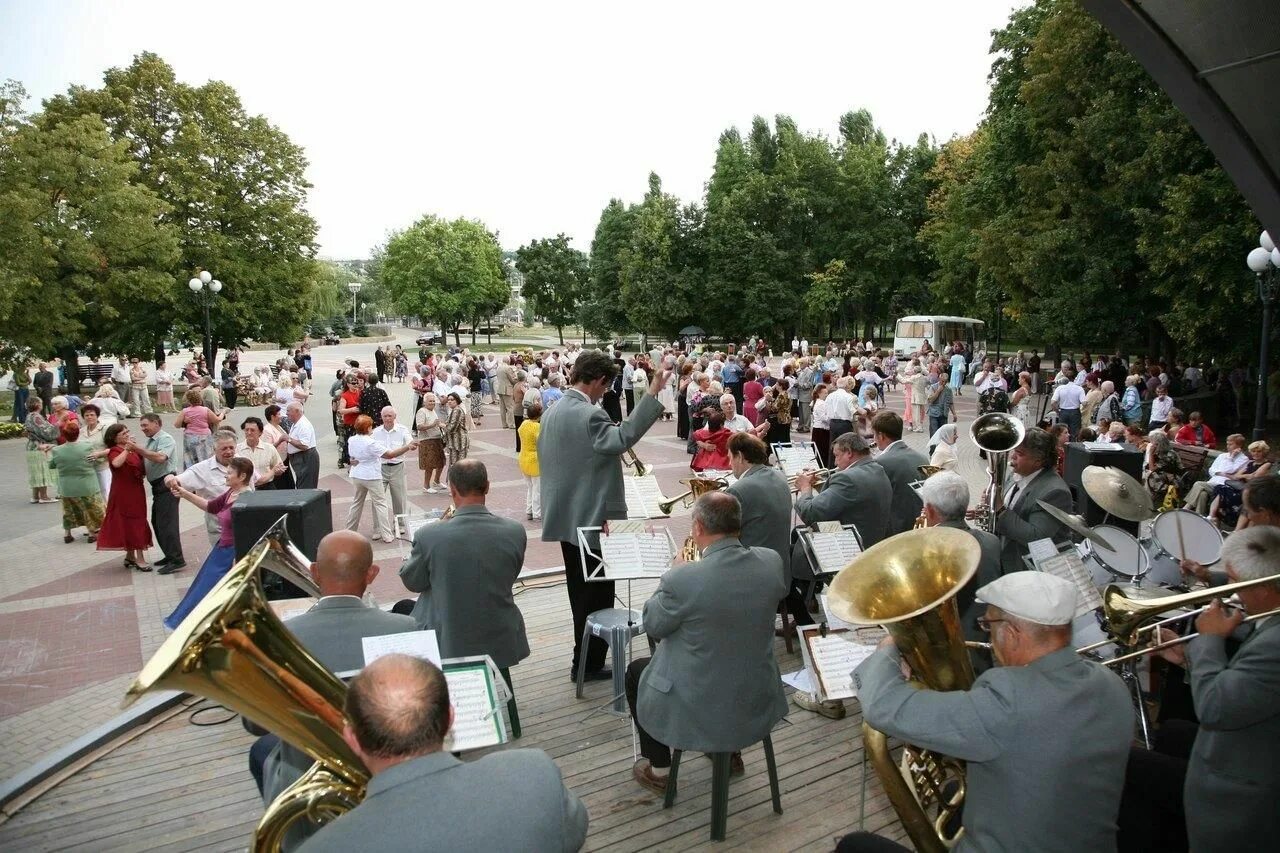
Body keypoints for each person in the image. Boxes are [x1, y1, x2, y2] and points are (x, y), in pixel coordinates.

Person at [839, 572, 1132, 853]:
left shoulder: (1008, 700)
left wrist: (888, 650)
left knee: (855, 845)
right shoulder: (1111, 684)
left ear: (1012, 633)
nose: (989, 637)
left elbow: (884, 706)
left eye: (988, 625)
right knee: (956, 794)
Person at [293, 654, 588, 853]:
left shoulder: (324, 846)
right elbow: (573, 833)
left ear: (352, 738)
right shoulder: (533, 772)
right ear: (449, 719)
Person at [251, 531, 417, 847]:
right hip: (386, 768)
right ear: (372, 574)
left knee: (262, 751)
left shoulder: (283, 634)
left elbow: (256, 723)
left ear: (314, 572)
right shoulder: (404, 628)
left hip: (306, 777)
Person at [1125, 525, 1280, 853]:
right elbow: (1248, 690)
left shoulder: (1274, 643)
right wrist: (1188, 661)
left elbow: (1214, 709)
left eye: (1236, 581)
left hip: (1243, 790)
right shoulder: (1269, 624)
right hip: (1247, 743)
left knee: (1130, 765)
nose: (1231, 591)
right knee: (1171, 732)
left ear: (1266, 589)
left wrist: (1209, 639)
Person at [626, 493, 788, 793]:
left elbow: (653, 624)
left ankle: (660, 770)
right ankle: (728, 753)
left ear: (698, 527)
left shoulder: (683, 579)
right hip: (757, 692)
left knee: (637, 671)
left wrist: (671, 573)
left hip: (703, 701)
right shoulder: (771, 561)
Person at [539, 350, 666, 681]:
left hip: (566, 518)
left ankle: (583, 660)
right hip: (594, 520)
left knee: (578, 594)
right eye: (606, 387)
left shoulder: (552, 411)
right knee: (597, 598)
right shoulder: (589, 414)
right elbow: (622, 439)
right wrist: (651, 395)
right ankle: (589, 664)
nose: (605, 393)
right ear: (596, 380)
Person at [399, 460, 530, 677]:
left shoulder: (429, 535)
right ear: (487, 486)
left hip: (450, 637)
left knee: (407, 607)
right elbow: (508, 574)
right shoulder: (515, 531)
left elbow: (413, 582)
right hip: (499, 631)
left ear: (452, 490)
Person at [787, 432, 893, 687]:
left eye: (836, 456)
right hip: (871, 543)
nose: (834, 462)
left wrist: (805, 489)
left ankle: (803, 617)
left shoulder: (848, 478)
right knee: (794, 537)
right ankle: (806, 602)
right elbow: (846, 502)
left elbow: (812, 512)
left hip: (846, 551)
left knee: (787, 560)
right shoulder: (876, 468)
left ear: (849, 452)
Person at [164, 457, 255, 629]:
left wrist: (238, 560)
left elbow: (248, 534)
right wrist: (184, 493)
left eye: (229, 473)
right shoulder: (231, 492)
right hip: (221, 550)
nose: (226, 476)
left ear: (242, 476)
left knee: (212, 592)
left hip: (232, 554)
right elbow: (211, 506)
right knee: (203, 589)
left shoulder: (247, 499)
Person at [918, 472, 1002, 642]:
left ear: (930, 511)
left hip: (946, 640)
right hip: (985, 633)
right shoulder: (991, 541)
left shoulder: (923, 551)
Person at [989, 427, 1072, 575]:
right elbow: (1011, 509)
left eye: (1019, 454)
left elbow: (1036, 537)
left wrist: (1000, 510)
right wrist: (987, 510)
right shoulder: (1017, 474)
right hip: (1003, 558)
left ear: (1038, 461)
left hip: (1026, 570)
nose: (1012, 457)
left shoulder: (1055, 492)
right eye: (1014, 451)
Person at [727, 432, 792, 583]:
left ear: (741, 456)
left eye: (730, 458)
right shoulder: (779, 476)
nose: (729, 464)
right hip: (779, 571)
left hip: (751, 578)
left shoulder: (738, 490)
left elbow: (722, 539)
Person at [346, 415, 417, 542]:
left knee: (356, 503)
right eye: (370, 426)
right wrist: (407, 447)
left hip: (357, 475)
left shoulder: (351, 439)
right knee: (380, 504)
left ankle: (349, 531)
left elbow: (352, 458)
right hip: (371, 476)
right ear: (367, 428)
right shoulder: (370, 443)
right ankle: (387, 535)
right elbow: (390, 454)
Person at [96, 423, 153, 571]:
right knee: (132, 521)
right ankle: (140, 558)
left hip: (136, 490)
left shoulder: (133, 449)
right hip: (122, 492)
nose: (127, 434)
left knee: (136, 520)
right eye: (123, 433)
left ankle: (130, 556)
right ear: (114, 438)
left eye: (127, 431)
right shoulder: (115, 451)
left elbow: (143, 463)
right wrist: (127, 450)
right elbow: (116, 464)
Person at [133, 413, 185, 573]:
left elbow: (161, 457)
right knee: (158, 523)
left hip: (167, 484)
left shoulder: (165, 439)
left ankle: (177, 559)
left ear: (157, 423)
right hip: (157, 486)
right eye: (141, 426)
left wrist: (137, 449)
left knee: (167, 525)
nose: (143, 429)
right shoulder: (151, 441)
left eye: (145, 425)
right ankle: (169, 555)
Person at [870, 412, 928, 536]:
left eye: (874, 435)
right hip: (922, 525)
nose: (874, 439)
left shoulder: (881, 462)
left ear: (881, 436)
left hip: (896, 529)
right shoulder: (922, 458)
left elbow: (874, 500)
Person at [49, 421, 105, 544]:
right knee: (89, 509)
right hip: (87, 484)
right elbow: (96, 460)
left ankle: (67, 534)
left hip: (67, 486)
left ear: (63, 435)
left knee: (68, 511)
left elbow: (52, 465)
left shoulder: (57, 450)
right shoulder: (87, 446)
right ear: (78, 433)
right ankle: (91, 533)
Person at [1183, 433, 1249, 515]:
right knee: (1203, 494)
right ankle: (1200, 515)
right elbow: (1211, 470)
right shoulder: (1222, 456)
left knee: (1198, 484)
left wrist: (1231, 458)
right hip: (1212, 482)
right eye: (1227, 444)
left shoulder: (1244, 459)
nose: (1228, 446)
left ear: (1239, 445)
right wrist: (1224, 474)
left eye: (1231, 444)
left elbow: (1227, 469)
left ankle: (1186, 508)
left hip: (1224, 486)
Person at [372, 406, 412, 533]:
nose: (387, 419)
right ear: (381, 417)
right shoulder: (375, 432)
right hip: (380, 468)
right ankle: (378, 527)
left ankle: (399, 524)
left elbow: (409, 441)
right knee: (377, 499)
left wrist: (411, 445)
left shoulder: (402, 430)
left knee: (399, 498)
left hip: (397, 468)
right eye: (385, 416)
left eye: (390, 416)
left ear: (395, 417)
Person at [23, 398, 60, 504]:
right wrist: (58, 424)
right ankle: (44, 496)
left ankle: (35, 496)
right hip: (39, 446)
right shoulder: (36, 417)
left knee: (35, 472)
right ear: (38, 405)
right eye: (41, 403)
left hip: (32, 446)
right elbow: (46, 433)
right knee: (42, 471)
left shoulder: (29, 416)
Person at [175, 387, 223, 468]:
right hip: (204, 435)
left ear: (189, 401)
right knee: (206, 456)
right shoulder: (205, 410)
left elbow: (177, 425)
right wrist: (222, 413)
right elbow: (217, 420)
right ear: (200, 399)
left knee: (190, 457)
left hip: (190, 435)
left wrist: (185, 421)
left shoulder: (185, 411)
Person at [236, 416, 287, 489]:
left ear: (260, 432)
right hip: (246, 489)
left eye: (252, 430)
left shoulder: (269, 448)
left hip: (267, 487)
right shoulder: (237, 449)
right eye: (246, 430)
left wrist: (278, 470)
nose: (249, 433)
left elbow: (279, 467)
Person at [414, 393, 446, 494]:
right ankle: (426, 486)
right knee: (429, 465)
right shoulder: (421, 412)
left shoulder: (433, 411)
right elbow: (419, 426)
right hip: (427, 440)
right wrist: (432, 425)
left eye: (433, 401)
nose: (432, 403)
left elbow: (437, 423)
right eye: (430, 401)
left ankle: (436, 481)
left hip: (437, 439)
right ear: (424, 402)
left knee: (441, 462)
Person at [284, 401, 319, 489]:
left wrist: (288, 439)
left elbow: (304, 445)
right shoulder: (296, 423)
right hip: (300, 458)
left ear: (297, 411)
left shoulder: (303, 425)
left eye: (288, 411)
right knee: (302, 483)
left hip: (305, 458)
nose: (286, 413)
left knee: (305, 486)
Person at [517, 402, 543, 520]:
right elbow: (540, 442)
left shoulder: (523, 424)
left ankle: (529, 510)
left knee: (530, 487)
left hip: (523, 458)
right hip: (535, 460)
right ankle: (537, 513)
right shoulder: (538, 427)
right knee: (537, 488)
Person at [1144, 429, 1183, 505]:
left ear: (1158, 444)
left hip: (1172, 478)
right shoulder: (1160, 452)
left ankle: (1147, 500)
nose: (1150, 444)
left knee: (1149, 474)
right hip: (1162, 474)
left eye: (1152, 443)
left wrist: (1151, 453)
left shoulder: (1169, 455)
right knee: (1145, 473)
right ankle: (1146, 497)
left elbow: (1152, 468)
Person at [440, 391, 471, 482]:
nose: (449, 401)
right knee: (455, 464)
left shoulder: (457, 410)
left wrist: (441, 425)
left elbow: (451, 428)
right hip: (454, 442)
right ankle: (456, 486)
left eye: (452, 400)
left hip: (459, 442)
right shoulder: (454, 410)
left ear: (457, 400)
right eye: (448, 400)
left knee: (458, 465)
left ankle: (458, 486)